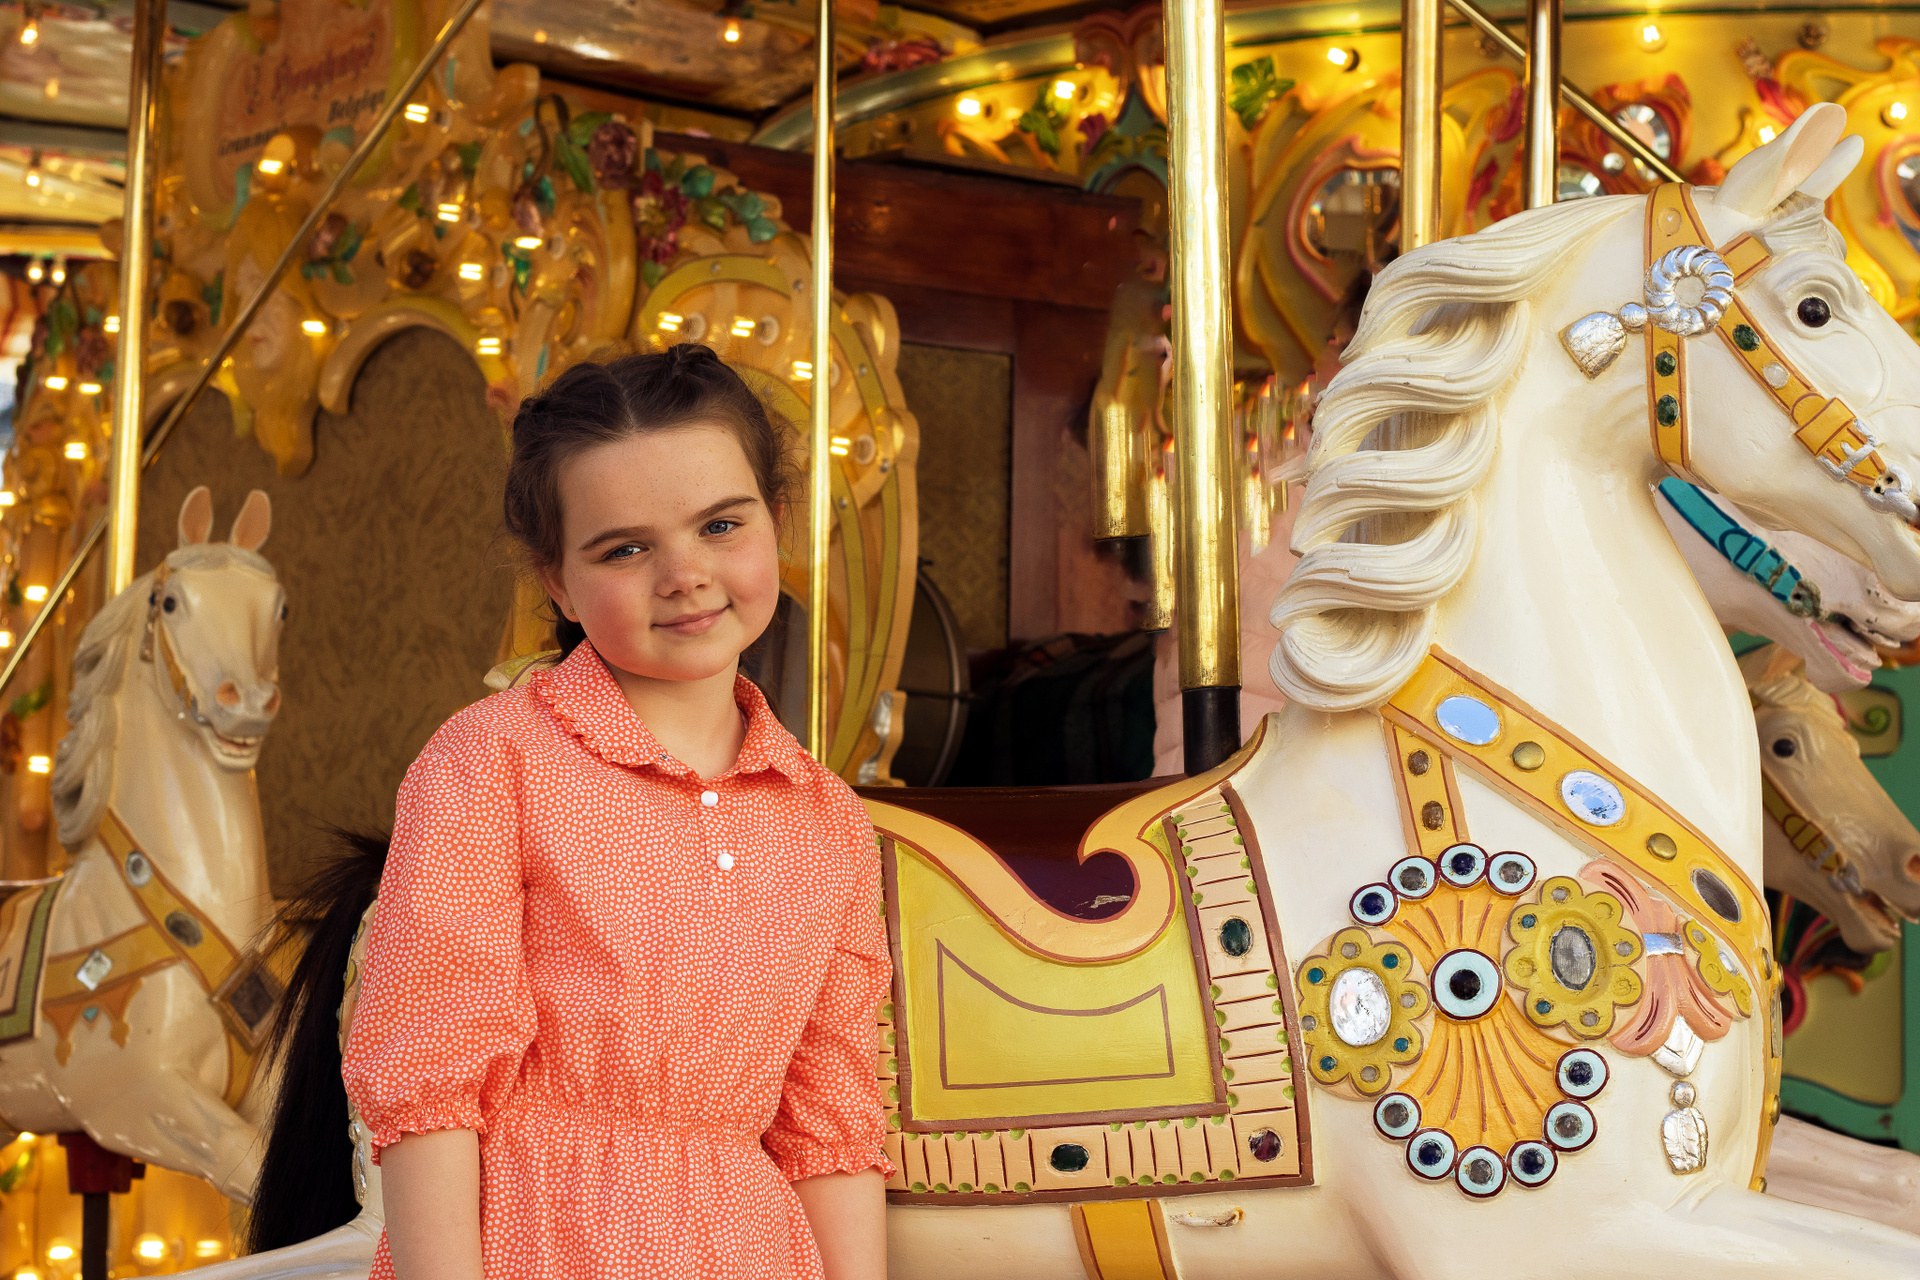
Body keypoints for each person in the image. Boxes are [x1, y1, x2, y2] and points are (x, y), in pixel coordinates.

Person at [340, 345, 892, 1280]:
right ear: (556, 580)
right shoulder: (493, 762)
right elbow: (429, 1087)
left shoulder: (826, 819)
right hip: (537, 1245)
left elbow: (828, 1131)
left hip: (749, 1252)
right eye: (625, 549)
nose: (684, 573)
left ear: (778, 518)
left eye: (721, 524)